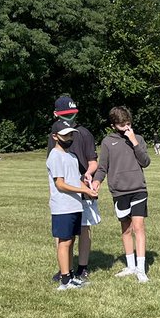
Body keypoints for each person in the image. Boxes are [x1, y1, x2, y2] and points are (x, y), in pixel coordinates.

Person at [94, 106, 152, 283]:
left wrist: (134, 141)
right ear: (113, 125)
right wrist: (97, 181)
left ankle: (141, 270)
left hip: (138, 189)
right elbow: (102, 167)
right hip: (119, 192)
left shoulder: (138, 139)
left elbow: (145, 161)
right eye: (122, 126)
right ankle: (130, 265)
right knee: (126, 229)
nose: (126, 128)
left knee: (138, 227)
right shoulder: (107, 142)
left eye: (128, 124)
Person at [47, 96, 99, 283]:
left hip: (80, 191)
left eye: (72, 115)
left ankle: (81, 268)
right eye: (65, 116)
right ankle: (65, 272)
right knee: (64, 237)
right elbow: (57, 177)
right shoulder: (54, 141)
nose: (69, 119)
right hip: (65, 196)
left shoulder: (83, 133)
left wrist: (88, 179)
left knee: (82, 229)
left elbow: (92, 162)